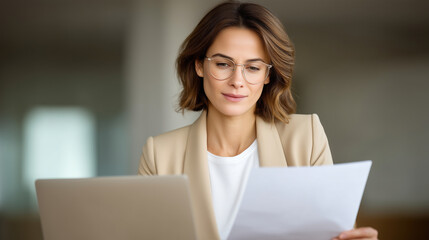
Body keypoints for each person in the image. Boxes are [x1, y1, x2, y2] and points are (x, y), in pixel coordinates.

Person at [138, 1, 378, 240]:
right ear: (199, 65)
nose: (237, 81)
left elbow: (337, 234)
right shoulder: (160, 154)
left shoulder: (306, 137)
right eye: (223, 64)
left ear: (267, 75)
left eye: (253, 68)